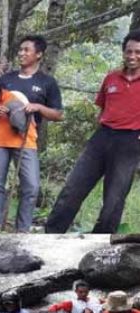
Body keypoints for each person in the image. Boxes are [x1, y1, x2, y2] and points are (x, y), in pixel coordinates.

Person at [46, 31, 140, 233]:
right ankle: (50, 234)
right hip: (102, 137)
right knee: (73, 188)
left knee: (114, 199)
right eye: (129, 51)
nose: (132, 56)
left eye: (137, 52)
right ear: (123, 53)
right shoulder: (111, 78)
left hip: (130, 141)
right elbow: (103, 107)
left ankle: (100, 243)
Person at [0, 35, 63, 232]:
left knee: (31, 187)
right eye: (20, 49)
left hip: (26, 139)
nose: (21, 53)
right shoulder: (6, 79)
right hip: (0, 138)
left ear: (38, 54)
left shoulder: (47, 82)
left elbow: (58, 114)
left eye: (26, 50)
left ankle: (23, 229)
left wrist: (37, 107)